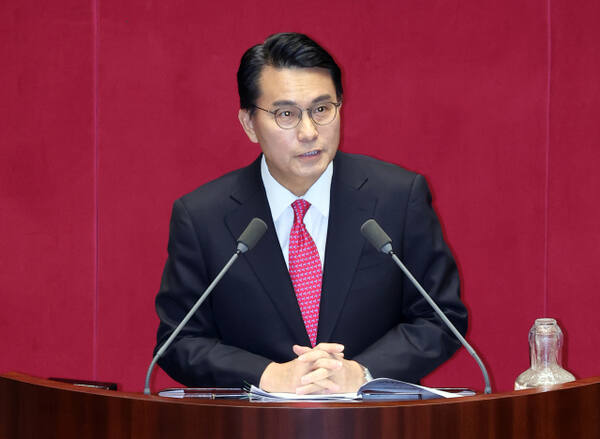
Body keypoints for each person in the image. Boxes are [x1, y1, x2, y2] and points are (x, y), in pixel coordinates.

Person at [154, 32, 468, 394]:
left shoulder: (397, 197)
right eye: (286, 114)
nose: (309, 132)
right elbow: (178, 342)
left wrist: (363, 373)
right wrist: (267, 375)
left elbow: (441, 318)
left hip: (377, 418)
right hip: (252, 420)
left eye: (321, 109)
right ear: (249, 124)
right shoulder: (202, 217)